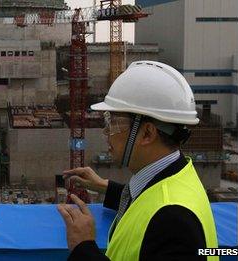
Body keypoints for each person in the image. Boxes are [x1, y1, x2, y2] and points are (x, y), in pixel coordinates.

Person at [57, 61, 218, 260]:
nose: (106, 132)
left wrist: (83, 247)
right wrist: (108, 189)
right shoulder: (179, 176)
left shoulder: (173, 222)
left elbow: (157, 218)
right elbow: (147, 207)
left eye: (114, 123)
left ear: (147, 133)